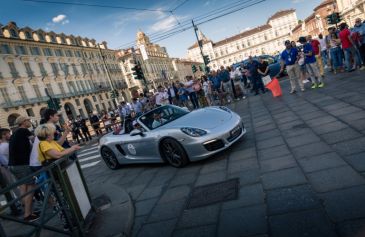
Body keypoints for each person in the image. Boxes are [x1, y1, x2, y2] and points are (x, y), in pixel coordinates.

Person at [35, 123, 80, 231]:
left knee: (64, 197)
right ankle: (67, 224)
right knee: (60, 200)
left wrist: (66, 134)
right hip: (53, 177)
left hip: (59, 175)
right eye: (52, 132)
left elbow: (60, 147)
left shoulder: (50, 142)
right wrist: (73, 148)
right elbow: (57, 155)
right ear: (47, 134)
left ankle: (71, 220)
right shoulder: (43, 144)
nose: (54, 133)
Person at [8, 116, 38, 222]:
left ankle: (28, 210)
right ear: (23, 122)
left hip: (13, 165)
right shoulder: (24, 131)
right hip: (22, 165)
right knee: (31, 187)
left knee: (23, 188)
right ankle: (27, 215)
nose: (29, 122)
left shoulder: (15, 133)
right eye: (28, 120)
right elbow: (36, 141)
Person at [0, 128, 22, 216]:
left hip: (6, 167)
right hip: (5, 168)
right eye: (8, 133)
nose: (10, 135)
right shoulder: (4, 145)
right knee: (13, 186)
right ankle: (20, 203)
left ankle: (17, 205)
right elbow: (4, 160)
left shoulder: (3, 145)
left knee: (11, 187)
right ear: (3, 135)